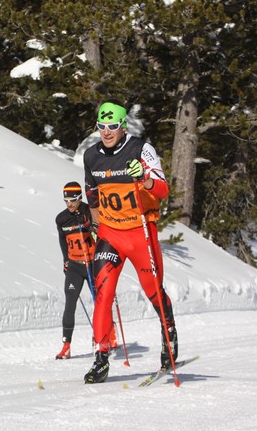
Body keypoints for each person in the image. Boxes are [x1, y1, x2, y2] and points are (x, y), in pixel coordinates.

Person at [82, 100, 177, 383]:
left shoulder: (140, 149)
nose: (107, 132)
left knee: (153, 291)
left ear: (123, 126)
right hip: (111, 234)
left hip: (140, 233)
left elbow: (162, 190)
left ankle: (168, 334)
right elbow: (92, 194)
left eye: (112, 126)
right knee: (103, 292)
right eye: (102, 126)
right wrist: (97, 226)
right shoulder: (91, 156)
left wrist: (145, 178)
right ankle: (100, 357)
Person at [54, 182, 97, 360]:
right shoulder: (61, 218)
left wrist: (89, 225)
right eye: (66, 201)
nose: (69, 204)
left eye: (72, 200)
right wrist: (66, 260)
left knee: (100, 301)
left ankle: (103, 336)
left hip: (93, 263)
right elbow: (63, 241)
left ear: (80, 198)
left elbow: (101, 233)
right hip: (74, 265)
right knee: (70, 303)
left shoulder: (90, 211)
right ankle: (66, 345)